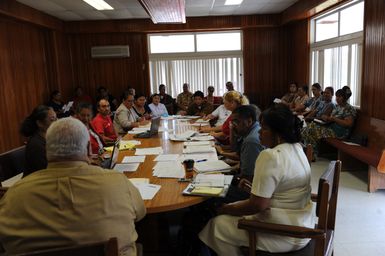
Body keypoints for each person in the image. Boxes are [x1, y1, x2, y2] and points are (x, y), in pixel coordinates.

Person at [0, 118, 146, 255]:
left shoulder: (14, 195)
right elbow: (140, 213)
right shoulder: (118, 181)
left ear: (46, 149)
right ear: (88, 147)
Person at [199, 104, 314, 255]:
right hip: (303, 224)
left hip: (283, 232)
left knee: (217, 224)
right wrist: (251, 188)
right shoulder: (297, 148)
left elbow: (257, 206)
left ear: (278, 134)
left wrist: (225, 209)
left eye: (264, 128)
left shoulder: (271, 156)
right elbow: (283, 189)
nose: (259, 131)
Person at [302, 87, 356, 157]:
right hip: (330, 128)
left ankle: (312, 153)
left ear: (344, 97)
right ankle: (309, 152)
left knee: (311, 129)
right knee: (308, 127)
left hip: (339, 132)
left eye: (339, 97)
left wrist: (334, 119)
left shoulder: (349, 108)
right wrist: (326, 118)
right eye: (336, 96)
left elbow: (348, 124)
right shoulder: (337, 107)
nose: (337, 98)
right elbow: (331, 118)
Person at [20, 105, 57, 177]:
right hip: (34, 183)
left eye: (56, 118)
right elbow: (46, 172)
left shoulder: (50, 138)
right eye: (52, 120)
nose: (57, 122)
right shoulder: (36, 145)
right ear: (40, 123)